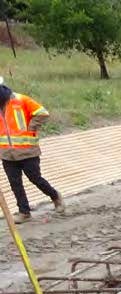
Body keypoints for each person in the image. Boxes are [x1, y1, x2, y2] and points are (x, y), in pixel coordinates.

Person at [0, 80, 62, 223]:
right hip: (7, 153)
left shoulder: (21, 100)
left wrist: (31, 128)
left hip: (28, 151)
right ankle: (24, 212)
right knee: (15, 183)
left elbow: (42, 113)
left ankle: (55, 196)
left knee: (35, 178)